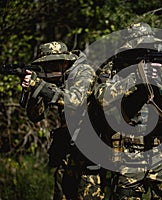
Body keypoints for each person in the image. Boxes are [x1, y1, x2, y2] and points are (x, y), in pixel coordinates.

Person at [93, 22, 162, 200]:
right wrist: (135, 76)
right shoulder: (115, 68)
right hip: (128, 152)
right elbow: (101, 97)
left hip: (161, 149)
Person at [21, 41, 105, 200]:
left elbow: (74, 101)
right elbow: (36, 116)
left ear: (64, 62)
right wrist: (32, 91)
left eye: (50, 65)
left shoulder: (84, 72)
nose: (47, 70)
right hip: (68, 148)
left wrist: (40, 85)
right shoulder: (57, 78)